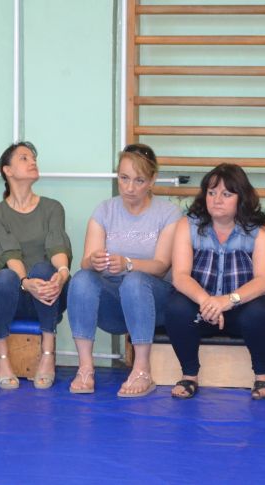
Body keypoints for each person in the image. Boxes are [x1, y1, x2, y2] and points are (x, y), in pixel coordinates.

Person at [68, 144, 181, 397]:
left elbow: (162, 265)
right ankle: (85, 368)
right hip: (114, 306)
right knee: (82, 279)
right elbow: (85, 262)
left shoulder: (169, 213)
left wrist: (129, 263)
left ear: (152, 180)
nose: (129, 188)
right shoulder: (104, 210)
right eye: (124, 178)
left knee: (134, 281)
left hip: (155, 302)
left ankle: (142, 369)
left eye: (139, 180)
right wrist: (94, 261)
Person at [164, 164, 265, 399]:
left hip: (241, 308)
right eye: (212, 192)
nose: (217, 199)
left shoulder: (260, 230)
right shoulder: (188, 225)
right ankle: (189, 375)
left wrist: (227, 301)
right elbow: (180, 276)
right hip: (204, 309)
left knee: (260, 311)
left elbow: (263, 281)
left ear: (241, 198)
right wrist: (207, 301)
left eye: (226, 194)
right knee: (176, 307)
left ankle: (262, 376)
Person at [0, 142, 72, 390]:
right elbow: (10, 254)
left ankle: (48, 352)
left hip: (48, 295)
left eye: (33, 158)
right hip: (10, 298)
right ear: (7, 170)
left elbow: (56, 246)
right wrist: (25, 283)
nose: (33, 161)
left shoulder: (53, 207)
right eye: (24, 158)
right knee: (5, 277)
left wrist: (62, 274)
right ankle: (1, 354)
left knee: (44, 270)